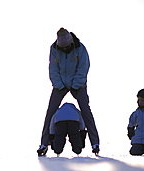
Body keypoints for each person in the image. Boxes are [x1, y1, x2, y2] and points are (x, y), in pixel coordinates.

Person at [37, 27, 100, 157]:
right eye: (62, 47)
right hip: (60, 85)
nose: (64, 49)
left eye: (66, 47)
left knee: (85, 110)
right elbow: (52, 69)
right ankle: (44, 144)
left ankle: (95, 143)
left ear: (71, 43)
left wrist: (76, 84)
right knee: (50, 112)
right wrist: (59, 85)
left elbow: (84, 67)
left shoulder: (80, 48)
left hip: (78, 84)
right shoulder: (54, 49)